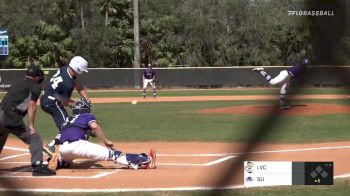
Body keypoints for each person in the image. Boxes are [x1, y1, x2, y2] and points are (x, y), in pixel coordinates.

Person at [48, 98, 156, 170]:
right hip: (78, 146)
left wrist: (56, 151)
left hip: (63, 149)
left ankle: (60, 161)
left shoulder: (67, 120)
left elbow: (58, 139)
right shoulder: (87, 116)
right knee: (113, 154)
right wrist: (106, 141)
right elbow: (94, 126)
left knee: (67, 159)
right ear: (85, 109)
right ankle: (146, 161)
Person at [0, 66, 56, 176]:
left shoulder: (17, 82)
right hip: (10, 116)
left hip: (1, 112)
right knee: (34, 138)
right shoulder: (35, 86)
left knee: (2, 135)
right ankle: (37, 166)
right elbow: (32, 105)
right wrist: (31, 125)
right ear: (36, 77)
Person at [40, 56, 91, 153]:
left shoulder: (65, 69)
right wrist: (77, 105)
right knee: (67, 126)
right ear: (78, 69)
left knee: (67, 124)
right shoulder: (68, 83)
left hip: (47, 98)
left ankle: (61, 145)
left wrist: (87, 101)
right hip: (52, 103)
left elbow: (79, 87)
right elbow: (64, 101)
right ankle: (51, 146)